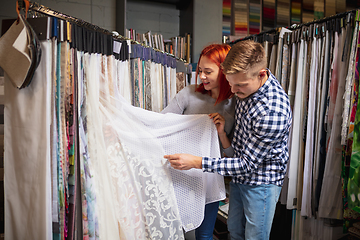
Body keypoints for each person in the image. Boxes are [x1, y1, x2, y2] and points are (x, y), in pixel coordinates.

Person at [164, 40, 292, 240]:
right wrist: (223, 134)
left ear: (261, 74)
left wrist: (196, 162)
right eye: (230, 83)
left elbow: (246, 164)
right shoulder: (244, 86)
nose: (233, 91)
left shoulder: (272, 111)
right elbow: (238, 151)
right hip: (239, 179)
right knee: (234, 232)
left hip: (261, 182)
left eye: (239, 85)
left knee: (254, 237)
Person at [162, 43, 236, 240]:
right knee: (176, 234)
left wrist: (221, 135)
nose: (201, 76)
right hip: (178, 176)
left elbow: (232, 157)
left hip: (209, 179)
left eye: (208, 71)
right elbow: (162, 125)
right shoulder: (188, 93)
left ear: (224, 71)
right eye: (200, 70)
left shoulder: (234, 105)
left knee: (204, 236)